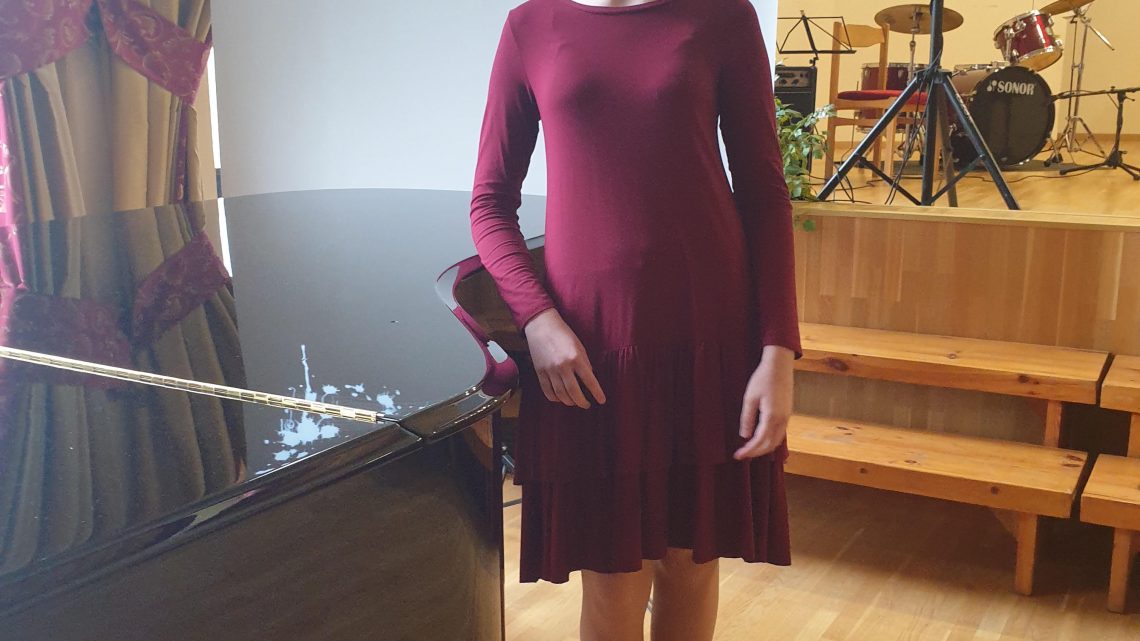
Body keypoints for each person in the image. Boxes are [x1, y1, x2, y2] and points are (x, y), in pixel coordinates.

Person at [469, 0, 802, 639]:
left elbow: (764, 193)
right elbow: (489, 203)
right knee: (612, 578)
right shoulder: (530, 26)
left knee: (692, 563)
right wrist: (537, 318)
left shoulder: (722, 16)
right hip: (590, 347)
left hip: (708, 331)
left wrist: (778, 349)